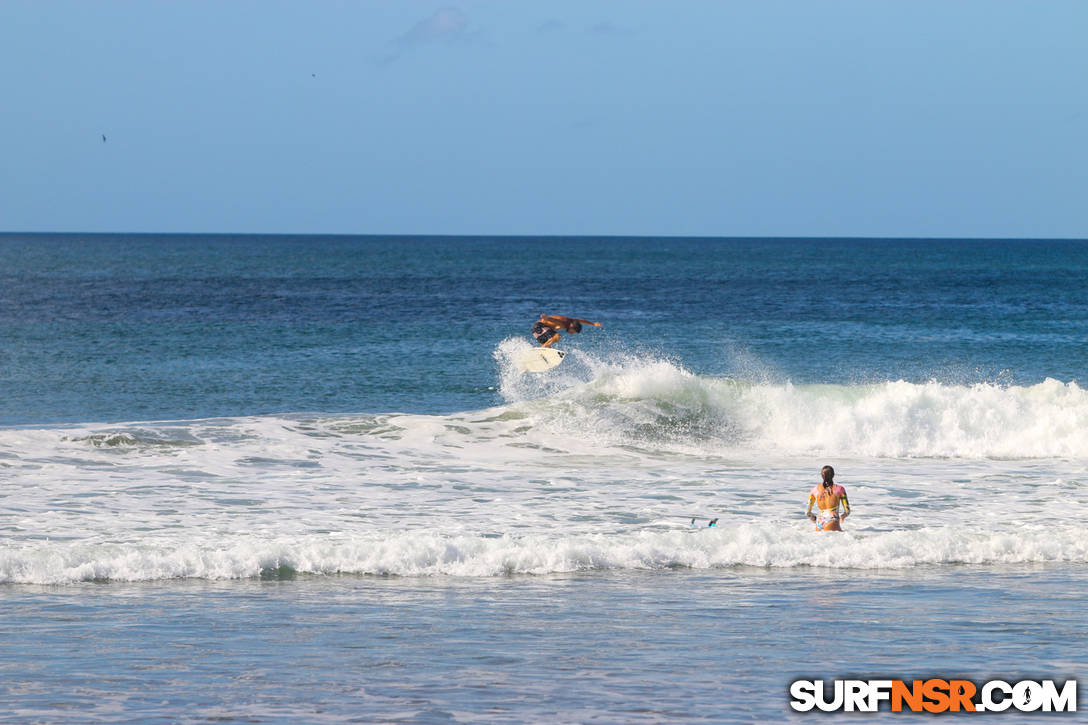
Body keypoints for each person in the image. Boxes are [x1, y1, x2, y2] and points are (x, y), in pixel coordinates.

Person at [805, 465, 850, 532]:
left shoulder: (814, 489)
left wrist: (814, 520)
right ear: (833, 475)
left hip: (819, 524)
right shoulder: (840, 489)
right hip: (832, 522)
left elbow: (807, 512)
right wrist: (842, 517)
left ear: (821, 476)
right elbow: (847, 511)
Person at [530, 314, 602, 348]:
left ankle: (539, 352)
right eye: (573, 331)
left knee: (548, 348)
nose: (571, 333)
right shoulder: (564, 322)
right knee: (557, 336)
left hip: (538, 330)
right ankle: (543, 347)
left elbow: (580, 320)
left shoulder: (571, 321)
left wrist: (593, 323)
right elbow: (555, 320)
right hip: (539, 327)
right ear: (572, 327)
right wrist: (547, 318)